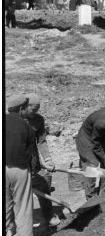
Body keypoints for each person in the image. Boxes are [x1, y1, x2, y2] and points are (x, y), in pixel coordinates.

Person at [5, 94, 37, 236]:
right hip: (19, 170)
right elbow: (33, 155)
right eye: (26, 107)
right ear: (20, 109)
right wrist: (34, 170)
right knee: (23, 210)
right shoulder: (26, 127)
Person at [23, 94, 60, 227]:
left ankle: (49, 215)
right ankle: (12, 226)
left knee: (44, 184)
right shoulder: (13, 120)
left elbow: (41, 141)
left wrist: (47, 159)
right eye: (33, 109)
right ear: (25, 106)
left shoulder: (38, 120)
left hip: (33, 162)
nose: (35, 112)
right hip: (17, 163)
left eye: (37, 109)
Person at [75, 97, 105, 199]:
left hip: (100, 139)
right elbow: (95, 143)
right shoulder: (102, 122)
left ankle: (104, 196)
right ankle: (91, 198)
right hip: (86, 141)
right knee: (92, 166)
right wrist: (104, 157)